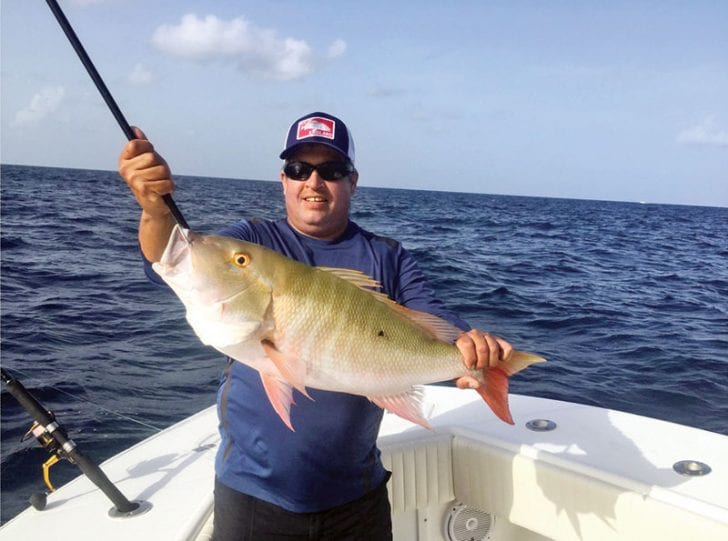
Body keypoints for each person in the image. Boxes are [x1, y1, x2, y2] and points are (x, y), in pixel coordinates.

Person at [118, 112, 513, 541]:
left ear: (352, 181)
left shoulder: (388, 256)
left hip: (357, 499)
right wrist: (154, 209)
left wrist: (471, 350)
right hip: (252, 495)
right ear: (283, 180)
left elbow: (436, 318)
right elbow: (168, 261)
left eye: (332, 170)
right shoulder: (254, 238)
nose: (313, 182)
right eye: (298, 169)